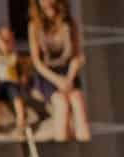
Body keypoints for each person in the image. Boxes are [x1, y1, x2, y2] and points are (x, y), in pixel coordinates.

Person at [29, 0, 89, 143]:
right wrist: (58, 80)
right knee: (61, 103)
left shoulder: (69, 22)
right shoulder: (34, 26)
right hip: (48, 75)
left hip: (67, 72)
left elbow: (79, 56)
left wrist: (69, 78)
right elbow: (37, 62)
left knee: (77, 100)